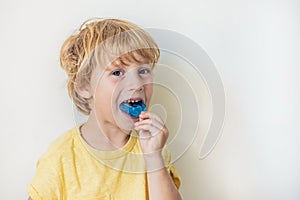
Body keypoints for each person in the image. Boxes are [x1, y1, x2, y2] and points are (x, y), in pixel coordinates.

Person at [28, 18, 182, 200]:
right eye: (117, 72)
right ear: (84, 86)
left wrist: (154, 157)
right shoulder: (60, 159)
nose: (137, 84)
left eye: (143, 71)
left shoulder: (153, 148)